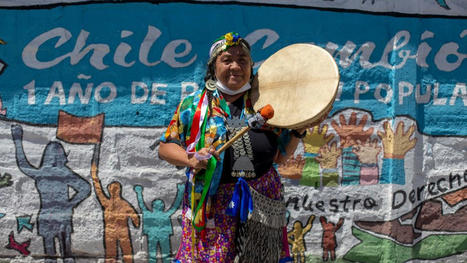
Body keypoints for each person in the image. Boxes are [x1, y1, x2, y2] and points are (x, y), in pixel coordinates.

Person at [158, 32, 311, 263]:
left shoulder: (266, 104)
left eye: (242, 60)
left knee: (263, 258)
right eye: (227, 60)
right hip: (212, 200)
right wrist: (190, 160)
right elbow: (166, 147)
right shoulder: (194, 105)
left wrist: (300, 130)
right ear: (213, 67)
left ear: (251, 66)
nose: (235, 66)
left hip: (262, 198)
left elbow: (279, 157)